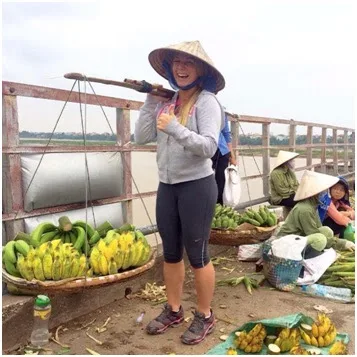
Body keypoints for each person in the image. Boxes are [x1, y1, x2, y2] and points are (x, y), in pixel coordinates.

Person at [134, 40, 225, 345]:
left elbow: (209, 146)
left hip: (197, 186)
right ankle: (173, 309)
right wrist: (149, 102)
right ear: (171, 68)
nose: (182, 68)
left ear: (200, 69)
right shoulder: (165, 102)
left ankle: (205, 315)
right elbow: (142, 138)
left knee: (198, 255)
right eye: (177, 63)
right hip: (167, 185)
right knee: (171, 253)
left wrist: (174, 127)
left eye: (189, 63)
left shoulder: (207, 102)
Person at [277, 170, 355, 257]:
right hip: (288, 242)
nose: (325, 194)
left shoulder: (313, 206)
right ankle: (303, 258)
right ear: (314, 194)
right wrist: (342, 243)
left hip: (300, 237)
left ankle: (319, 251)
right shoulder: (305, 209)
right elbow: (312, 233)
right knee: (320, 239)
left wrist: (342, 243)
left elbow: (319, 228)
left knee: (326, 230)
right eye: (322, 192)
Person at [211, 112, 237, 204]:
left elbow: (226, 134)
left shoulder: (221, 110)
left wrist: (232, 156)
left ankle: (219, 210)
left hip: (221, 150)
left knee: (221, 184)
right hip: (204, 151)